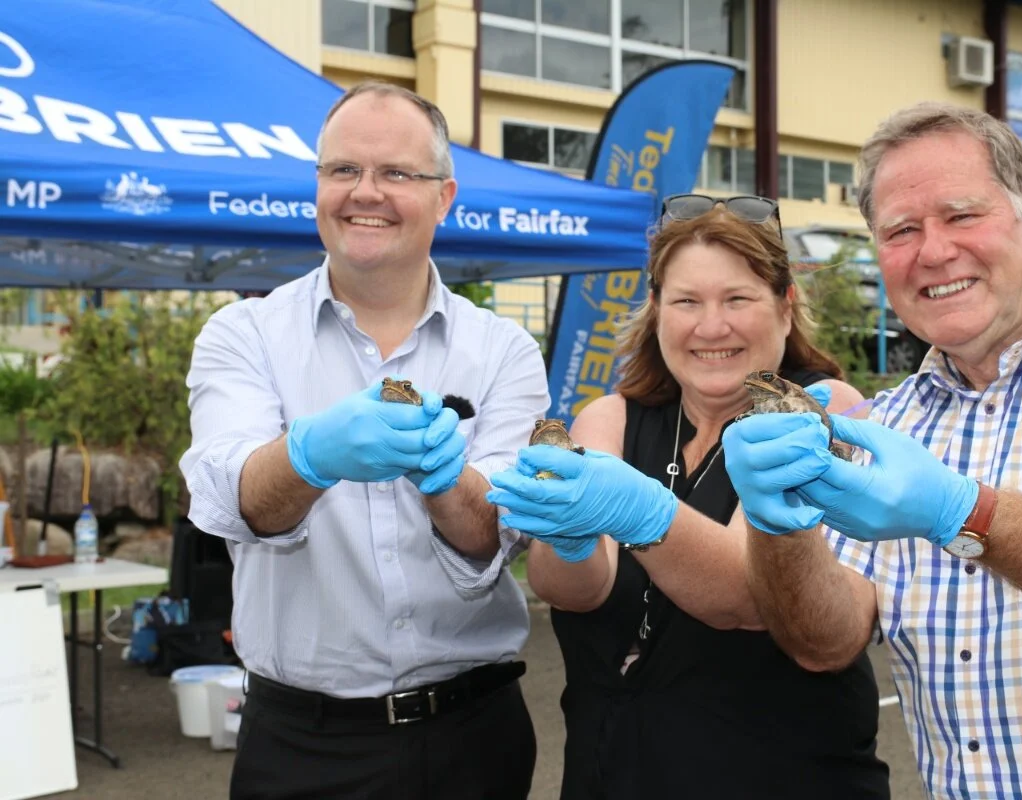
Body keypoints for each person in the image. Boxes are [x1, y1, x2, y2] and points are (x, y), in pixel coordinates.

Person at [722, 102, 1022, 799]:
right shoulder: (890, 423)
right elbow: (824, 641)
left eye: (962, 215)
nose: (934, 251)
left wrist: (966, 513)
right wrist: (778, 523)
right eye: (902, 230)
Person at [180, 80, 548, 800]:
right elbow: (232, 497)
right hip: (301, 747)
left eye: (396, 173)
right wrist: (308, 455)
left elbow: (497, 536)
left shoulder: (504, 351)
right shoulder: (243, 335)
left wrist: (447, 482)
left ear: (444, 197)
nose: (365, 192)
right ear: (318, 185)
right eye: (343, 170)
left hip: (474, 737)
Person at [486, 195, 891, 800]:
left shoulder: (824, 411)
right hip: (606, 774)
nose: (711, 326)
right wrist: (566, 541)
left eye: (737, 299)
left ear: (785, 308)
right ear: (655, 310)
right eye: (685, 301)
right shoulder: (611, 417)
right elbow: (572, 589)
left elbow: (745, 598)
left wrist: (638, 511)